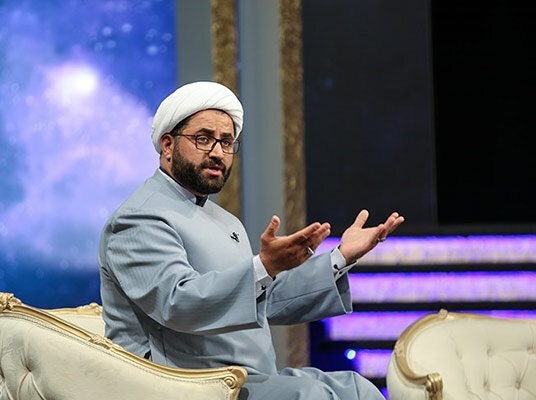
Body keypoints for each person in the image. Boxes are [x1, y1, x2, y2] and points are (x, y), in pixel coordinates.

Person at [98, 81, 404, 400]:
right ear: (167, 145)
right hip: (188, 381)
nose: (217, 153)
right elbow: (177, 303)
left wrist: (341, 257)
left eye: (226, 142)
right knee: (312, 396)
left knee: (358, 389)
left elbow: (261, 299)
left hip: (247, 378)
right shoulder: (140, 218)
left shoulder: (225, 221)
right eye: (203, 139)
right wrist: (265, 266)